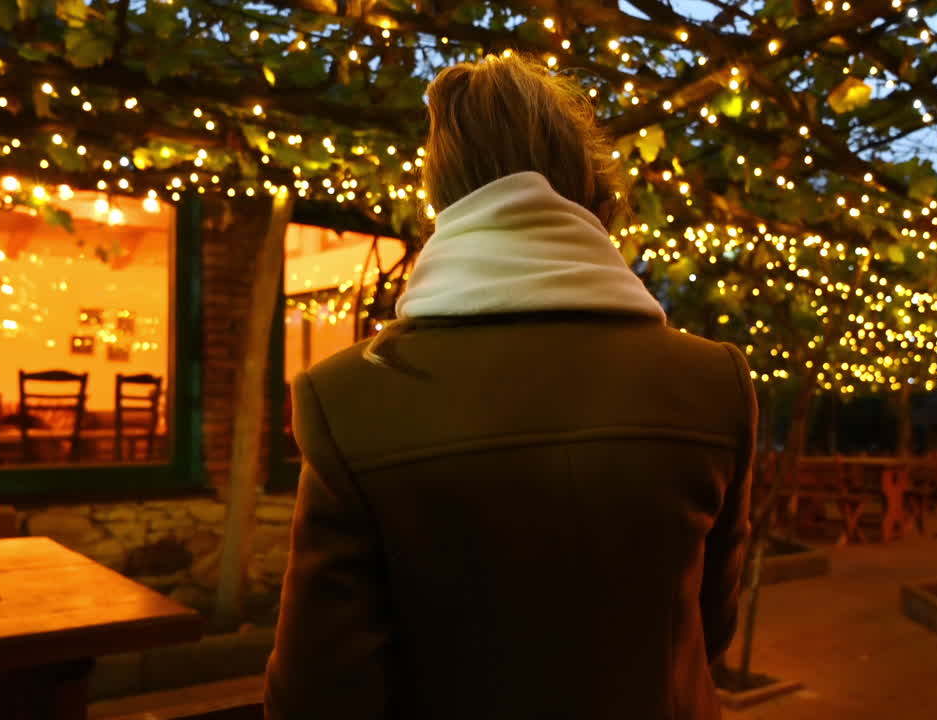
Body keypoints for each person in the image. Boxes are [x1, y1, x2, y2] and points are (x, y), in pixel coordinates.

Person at [264, 53, 757, 720]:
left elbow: (319, 692)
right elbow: (710, 627)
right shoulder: (714, 382)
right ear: (595, 195)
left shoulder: (346, 397)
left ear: (442, 198)